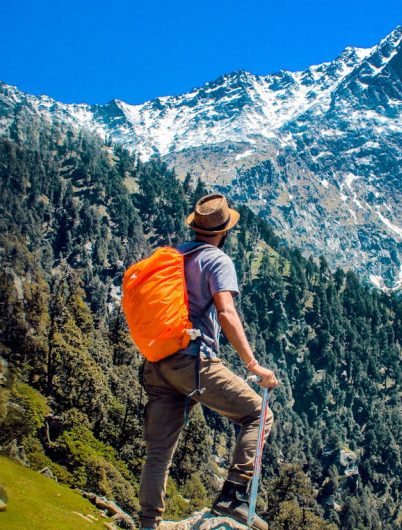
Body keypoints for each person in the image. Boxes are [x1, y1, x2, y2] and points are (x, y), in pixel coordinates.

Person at [138, 193, 279, 530]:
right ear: (225, 231)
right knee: (258, 414)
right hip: (193, 361)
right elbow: (227, 313)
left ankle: (148, 524)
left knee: (159, 452)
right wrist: (252, 364)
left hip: (158, 362)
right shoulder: (217, 260)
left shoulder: (175, 257)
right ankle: (232, 497)